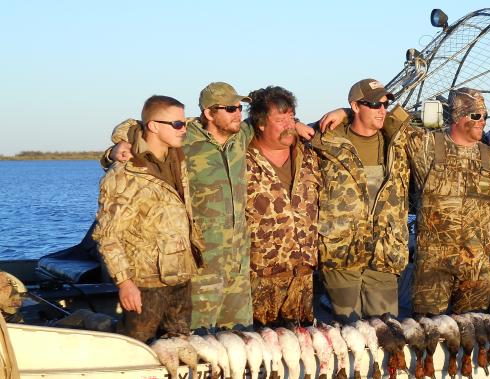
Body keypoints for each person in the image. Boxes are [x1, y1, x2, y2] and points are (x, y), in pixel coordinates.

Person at [105, 82, 314, 330]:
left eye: (239, 108)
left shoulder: (241, 135)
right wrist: (116, 147)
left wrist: (298, 124)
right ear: (209, 113)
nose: (238, 114)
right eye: (230, 108)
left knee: (240, 335)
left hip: (238, 262)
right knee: (200, 335)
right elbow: (142, 127)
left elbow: (276, 121)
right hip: (204, 263)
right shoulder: (186, 138)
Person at [405, 88, 490, 314]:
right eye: (476, 116)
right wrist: (345, 113)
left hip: (476, 265)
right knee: (428, 328)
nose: (483, 121)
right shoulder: (426, 147)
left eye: (485, 116)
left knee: (473, 328)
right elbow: (387, 124)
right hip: (432, 266)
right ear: (458, 117)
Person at [93, 95, 202, 342]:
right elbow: (107, 235)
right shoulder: (126, 174)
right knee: (136, 345)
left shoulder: (177, 158)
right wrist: (125, 283)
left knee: (178, 346)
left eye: (184, 123)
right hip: (146, 282)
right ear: (153, 126)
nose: (183, 129)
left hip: (181, 275)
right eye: (177, 124)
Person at [310, 79, 411, 322]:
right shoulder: (327, 140)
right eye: (375, 104)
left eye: (385, 104)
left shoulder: (397, 140)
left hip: (384, 253)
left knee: (386, 328)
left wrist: (344, 112)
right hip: (342, 253)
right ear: (356, 106)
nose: (382, 110)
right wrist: (344, 113)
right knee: (348, 328)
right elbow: (281, 128)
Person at [245, 86, 319, 326]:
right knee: (261, 345)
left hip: (303, 280)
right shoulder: (240, 160)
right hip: (260, 281)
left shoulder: (309, 156)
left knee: (303, 344)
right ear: (260, 124)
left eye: (292, 117)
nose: (289, 125)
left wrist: (343, 112)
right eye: (280, 120)